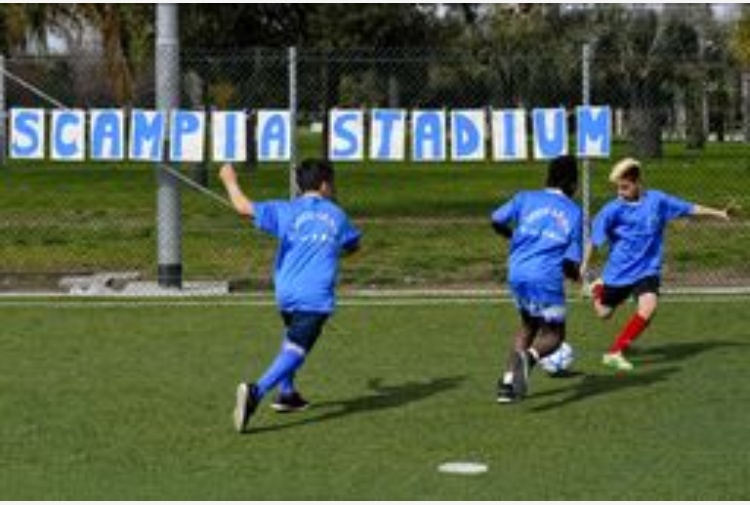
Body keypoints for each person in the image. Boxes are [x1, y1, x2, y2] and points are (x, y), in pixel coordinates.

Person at [219, 158, 362, 433]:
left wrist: (229, 179)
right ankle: (256, 392)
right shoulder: (336, 214)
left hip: (285, 293)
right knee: (297, 348)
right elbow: (353, 244)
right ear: (324, 185)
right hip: (315, 296)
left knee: (291, 335)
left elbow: (242, 207)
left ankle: (287, 394)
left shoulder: (286, 210)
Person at [582, 157, 730, 371]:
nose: (620, 193)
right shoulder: (612, 210)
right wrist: (584, 266)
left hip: (647, 270)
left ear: (638, 183)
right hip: (619, 272)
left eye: (625, 187)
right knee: (603, 313)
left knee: (648, 307)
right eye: (618, 188)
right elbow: (594, 240)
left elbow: (689, 208)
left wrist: (718, 213)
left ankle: (615, 351)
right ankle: (598, 288)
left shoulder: (657, 201)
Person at [491, 155, 583, 403]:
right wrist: (578, 277)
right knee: (554, 334)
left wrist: (513, 237)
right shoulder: (574, 212)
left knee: (528, 326)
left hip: (517, 271)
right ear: (574, 185)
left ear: (548, 178)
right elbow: (568, 261)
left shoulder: (525, 197)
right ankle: (529, 359)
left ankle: (507, 385)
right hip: (545, 276)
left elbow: (496, 218)